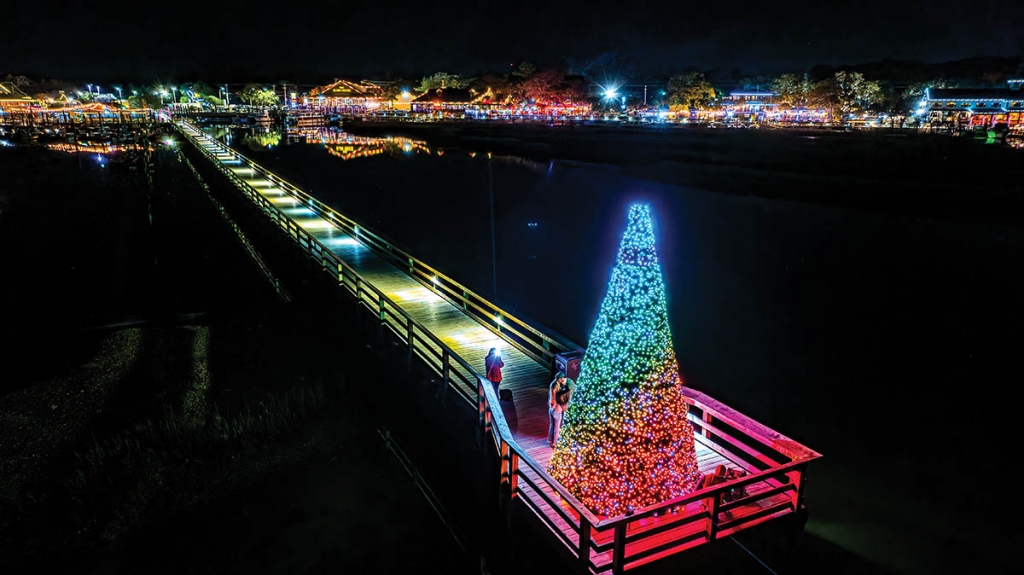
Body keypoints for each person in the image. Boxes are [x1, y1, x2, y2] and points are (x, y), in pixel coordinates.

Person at [547, 371, 574, 448]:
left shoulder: (554, 386)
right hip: (557, 409)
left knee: (552, 425)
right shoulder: (561, 391)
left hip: (552, 408)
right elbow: (566, 392)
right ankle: (555, 443)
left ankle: (550, 439)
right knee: (557, 427)